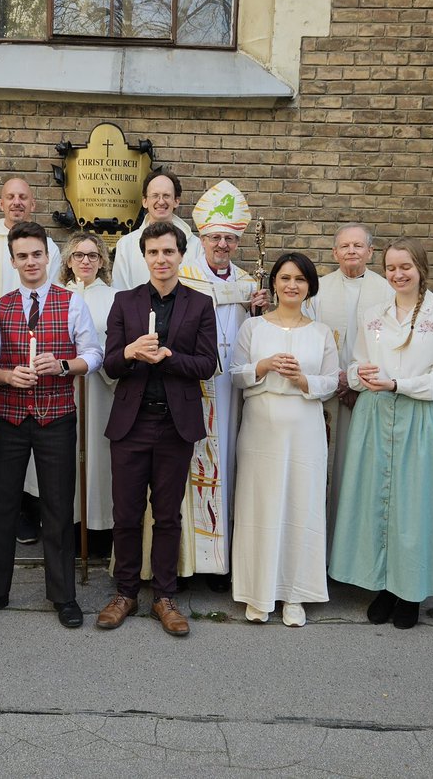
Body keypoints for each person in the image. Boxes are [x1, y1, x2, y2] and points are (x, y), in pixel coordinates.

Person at [0, 222, 104, 629]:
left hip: (56, 416)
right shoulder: (0, 307)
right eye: (22, 256)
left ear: (48, 257)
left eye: (36, 254)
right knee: (2, 507)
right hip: (9, 416)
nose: (30, 261)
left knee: (57, 507)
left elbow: (93, 354)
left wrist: (62, 365)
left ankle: (63, 595)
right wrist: (7, 377)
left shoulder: (71, 302)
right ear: (13, 261)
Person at [329, 238, 433, 630]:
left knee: (414, 504)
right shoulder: (373, 314)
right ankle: (383, 586)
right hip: (374, 415)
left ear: (420, 267)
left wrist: (397, 384)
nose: (398, 274)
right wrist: (363, 376)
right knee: (377, 501)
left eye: (405, 266)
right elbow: (355, 365)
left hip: (418, 415)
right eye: (390, 268)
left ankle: (411, 590)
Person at [97, 223, 217, 636]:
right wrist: (130, 351)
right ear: (143, 257)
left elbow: (206, 364)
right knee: (127, 514)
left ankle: (164, 595)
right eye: (153, 252)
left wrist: (167, 357)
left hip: (173, 424)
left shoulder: (200, 304)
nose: (161, 260)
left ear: (181, 255)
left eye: (169, 252)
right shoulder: (124, 302)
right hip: (131, 423)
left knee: (167, 516)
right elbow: (110, 363)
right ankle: (125, 592)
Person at [230, 252, 337, 626]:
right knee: (259, 507)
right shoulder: (253, 328)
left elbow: (331, 381)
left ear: (310, 287)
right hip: (261, 427)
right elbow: (236, 374)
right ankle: (258, 591)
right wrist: (262, 366)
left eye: (300, 280)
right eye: (285, 278)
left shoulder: (320, 332)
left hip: (304, 427)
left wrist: (302, 379)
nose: (292, 285)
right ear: (273, 283)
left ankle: (295, 593)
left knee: (300, 506)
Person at [175, 180, 266, 588]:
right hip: (194, 388)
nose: (223, 245)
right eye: (215, 237)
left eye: (229, 238)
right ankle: (188, 561)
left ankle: (221, 562)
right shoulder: (183, 279)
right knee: (188, 470)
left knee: (228, 466)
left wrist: (261, 309)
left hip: (234, 391)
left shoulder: (250, 284)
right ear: (202, 238)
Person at [0, 178, 61, 545]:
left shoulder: (46, 245)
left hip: (37, 350)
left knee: (33, 434)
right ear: (1, 203)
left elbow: (53, 292)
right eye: (10, 197)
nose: (17, 202)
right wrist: (0, 324)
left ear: (32, 204)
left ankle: (27, 512)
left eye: (23, 197)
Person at [305, 224, 393, 546]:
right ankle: (322, 549)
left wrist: (358, 381)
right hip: (328, 391)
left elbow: (390, 344)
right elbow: (308, 333)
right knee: (325, 470)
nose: (351, 251)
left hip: (369, 392)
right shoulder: (318, 289)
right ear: (334, 253)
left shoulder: (387, 291)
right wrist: (338, 379)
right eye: (345, 246)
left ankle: (353, 547)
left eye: (358, 246)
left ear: (371, 251)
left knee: (358, 471)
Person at [60, 231, 117, 545]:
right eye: (78, 255)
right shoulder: (55, 295)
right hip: (63, 390)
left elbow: (117, 343)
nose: (85, 261)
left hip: (99, 390)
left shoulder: (114, 297)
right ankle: (67, 528)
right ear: (68, 261)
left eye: (92, 255)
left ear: (102, 261)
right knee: (65, 456)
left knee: (98, 455)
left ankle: (99, 529)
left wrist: (97, 362)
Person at [110, 168, 203, 291]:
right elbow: (120, 291)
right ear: (145, 201)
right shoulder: (126, 244)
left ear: (176, 201)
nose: (161, 201)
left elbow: (200, 291)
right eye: (155, 195)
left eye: (166, 195)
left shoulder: (196, 246)